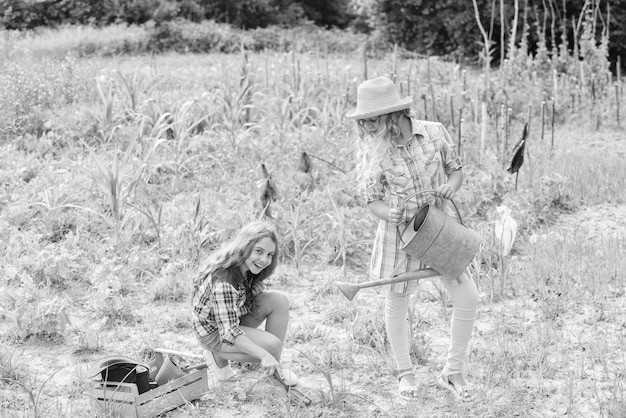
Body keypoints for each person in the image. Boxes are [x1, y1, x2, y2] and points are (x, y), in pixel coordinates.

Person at [346, 76, 479, 401]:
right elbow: (371, 198)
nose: (368, 130)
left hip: (438, 230)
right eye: (366, 123)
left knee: (468, 298)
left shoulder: (433, 131)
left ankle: (454, 371)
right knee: (397, 302)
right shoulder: (378, 149)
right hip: (400, 235)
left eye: (373, 122)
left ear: (392, 116)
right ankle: (406, 374)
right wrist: (385, 213)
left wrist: (452, 185)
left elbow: (456, 169)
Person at [191, 220, 295, 385]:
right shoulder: (224, 281)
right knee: (272, 347)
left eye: (269, 254)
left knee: (279, 300)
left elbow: (234, 306)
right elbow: (229, 332)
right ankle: (216, 353)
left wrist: (251, 293)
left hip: (228, 321)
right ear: (244, 247)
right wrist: (264, 354)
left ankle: (273, 363)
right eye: (259, 251)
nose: (264, 259)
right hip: (214, 333)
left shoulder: (244, 267)